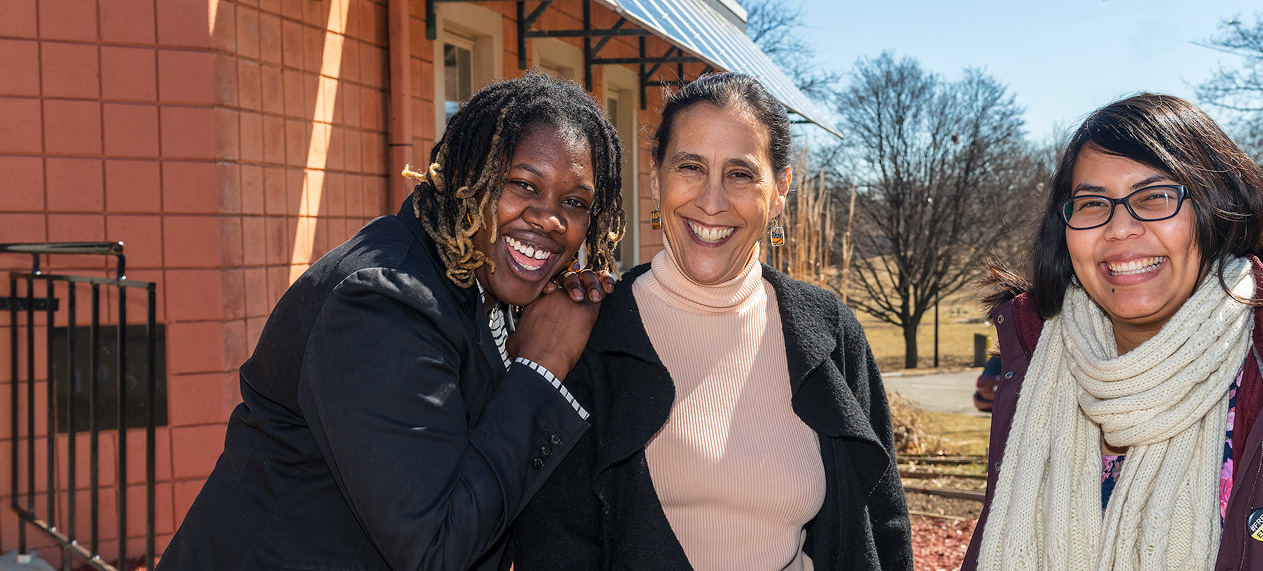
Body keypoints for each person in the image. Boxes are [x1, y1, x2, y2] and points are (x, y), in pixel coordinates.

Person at [158, 72, 626, 571]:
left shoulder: (479, 278)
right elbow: (434, 549)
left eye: (574, 202)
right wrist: (543, 365)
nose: (550, 219)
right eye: (523, 185)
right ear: (469, 175)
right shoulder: (383, 303)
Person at [961, 94, 1263, 570]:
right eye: (1092, 204)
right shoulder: (1033, 373)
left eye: (1155, 197)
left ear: (1216, 212)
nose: (1120, 229)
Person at [509, 72, 913, 571]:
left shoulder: (829, 333)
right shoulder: (592, 330)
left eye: (741, 174)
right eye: (690, 167)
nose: (712, 200)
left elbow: (882, 525)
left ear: (780, 190)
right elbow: (553, 545)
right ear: (655, 178)